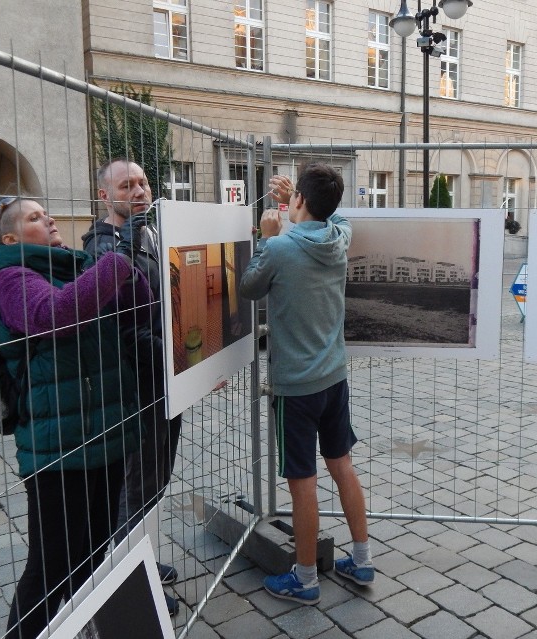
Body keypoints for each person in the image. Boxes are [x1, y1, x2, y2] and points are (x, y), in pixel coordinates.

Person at [0, 197, 150, 639]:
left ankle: (86, 627)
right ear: (10, 238)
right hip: (58, 449)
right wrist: (115, 263)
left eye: (46, 212)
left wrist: (131, 263)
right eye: (35, 217)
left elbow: (141, 302)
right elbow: (54, 315)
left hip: (105, 436)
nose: (50, 218)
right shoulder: (12, 279)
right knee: (50, 567)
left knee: (96, 553)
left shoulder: (75, 266)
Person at [240, 163, 373, 605]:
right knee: (343, 466)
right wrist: (299, 201)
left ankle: (305, 579)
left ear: (299, 201)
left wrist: (266, 235)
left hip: (295, 388)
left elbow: (248, 288)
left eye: (294, 194)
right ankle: (362, 557)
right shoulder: (340, 238)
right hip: (334, 379)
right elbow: (337, 216)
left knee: (303, 485)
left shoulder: (280, 248)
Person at [81, 159, 182, 615]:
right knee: (136, 490)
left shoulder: (148, 234)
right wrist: (178, 356)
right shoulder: (106, 249)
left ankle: (140, 562)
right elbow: (125, 330)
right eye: (127, 185)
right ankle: (131, 591)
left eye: (142, 182)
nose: (139, 190)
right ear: (105, 195)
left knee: (156, 481)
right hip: (135, 389)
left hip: (165, 382)